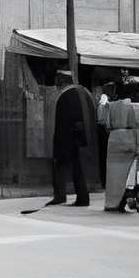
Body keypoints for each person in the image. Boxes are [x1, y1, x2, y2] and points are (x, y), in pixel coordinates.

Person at [45, 69, 93, 208]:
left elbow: (63, 122)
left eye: (57, 81)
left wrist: (59, 143)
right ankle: (82, 197)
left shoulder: (66, 96)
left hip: (67, 139)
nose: (55, 85)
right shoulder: (82, 92)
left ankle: (60, 196)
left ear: (61, 81)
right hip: (80, 139)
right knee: (77, 168)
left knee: (60, 167)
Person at [100, 81, 139, 213]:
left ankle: (112, 203)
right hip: (130, 138)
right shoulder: (137, 107)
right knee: (130, 173)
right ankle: (129, 197)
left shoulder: (111, 106)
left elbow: (102, 120)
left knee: (113, 175)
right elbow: (138, 124)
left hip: (114, 139)